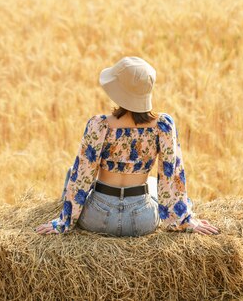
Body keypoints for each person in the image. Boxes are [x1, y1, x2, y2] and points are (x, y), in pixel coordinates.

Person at [36, 56, 219, 237]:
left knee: (71, 173)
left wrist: (63, 222)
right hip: (141, 220)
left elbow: (82, 175)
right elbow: (172, 178)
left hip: (97, 217)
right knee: (153, 184)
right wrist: (185, 219)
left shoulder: (99, 125)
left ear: (117, 90)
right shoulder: (163, 125)